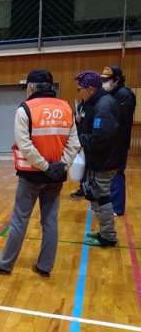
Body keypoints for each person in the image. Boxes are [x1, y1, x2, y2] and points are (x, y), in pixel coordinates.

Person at [0, 68, 80, 277]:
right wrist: (61, 165)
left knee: (19, 219)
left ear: (31, 86)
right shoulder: (66, 108)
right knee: (50, 220)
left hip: (31, 175)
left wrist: (44, 166)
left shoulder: (25, 109)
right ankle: (44, 266)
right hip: (56, 176)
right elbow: (74, 143)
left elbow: (25, 145)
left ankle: (5, 264)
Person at [74, 70, 123, 247]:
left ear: (90, 89)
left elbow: (100, 138)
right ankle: (104, 230)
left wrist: (79, 139)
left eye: (79, 89)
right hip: (98, 160)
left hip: (103, 161)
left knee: (101, 197)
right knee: (94, 196)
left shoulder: (103, 105)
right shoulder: (95, 103)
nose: (78, 92)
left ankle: (108, 236)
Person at [101, 65, 137, 216]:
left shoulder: (124, 95)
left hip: (118, 143)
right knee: (109, 174)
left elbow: (121, 122)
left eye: (107, 80)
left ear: (116, 80)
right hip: (111, 142)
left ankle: (116, 207)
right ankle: (110, 204)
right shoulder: (113, 93)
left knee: (116, 174)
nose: (104, 83)